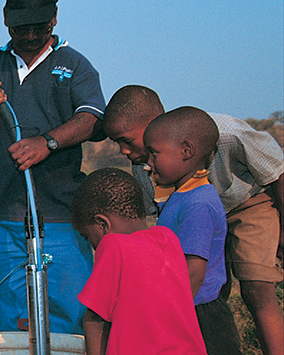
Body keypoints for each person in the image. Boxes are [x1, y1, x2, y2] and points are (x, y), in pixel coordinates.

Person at [103, 85, 284, 355]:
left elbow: (277, 173)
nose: (123, 151)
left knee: (257, 289)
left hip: (247, 202)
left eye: (127, 140)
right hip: (195, 215)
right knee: (210, 294)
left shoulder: (225, 133)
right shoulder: (146, 167)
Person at [0, 0, 104, 334]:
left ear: (54, 18)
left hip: (60, 218)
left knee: (70, 321)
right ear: (6, 20)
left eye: (39, 26)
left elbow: (92, 119)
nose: (30, 34)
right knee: (7, 324)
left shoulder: (76, 65)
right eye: (21, 27)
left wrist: (47, 143)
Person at [73, 168, 206, 355]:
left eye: (87, 236)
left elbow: (95, 318)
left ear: (103, 224)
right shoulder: (168, 239)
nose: (92, 245)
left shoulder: (113, 245)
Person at [144, 107, 242, 354]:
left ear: (186, 151)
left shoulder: (198, 202)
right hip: (188, 309)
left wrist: (166, 317)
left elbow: (194, 272)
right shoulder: (180, 195)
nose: (148, 163)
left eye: (155, 154)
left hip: (201, 316)